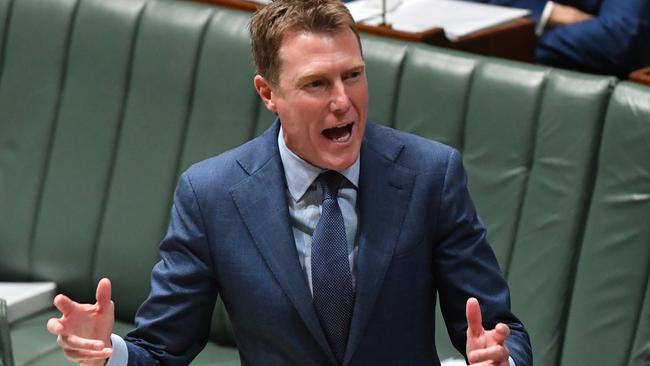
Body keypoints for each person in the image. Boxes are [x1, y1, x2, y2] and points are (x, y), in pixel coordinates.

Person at [47, 0, 532, 365]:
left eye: (354, 75)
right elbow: (160, 348)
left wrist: (501, 359)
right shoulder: (212, 195)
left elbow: (501, 331)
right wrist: (105, 353)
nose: (343, 101)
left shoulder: (430, 175)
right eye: (317, 83)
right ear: (269, 93)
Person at [476, 0, 650, 78]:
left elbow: (618, 37)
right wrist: (548, 12)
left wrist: (513, 45)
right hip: (489, 82)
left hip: (585, 95)